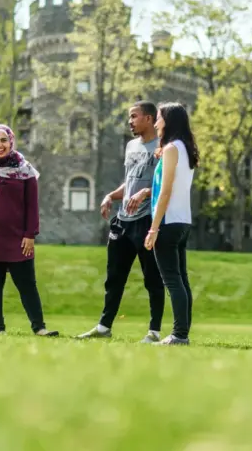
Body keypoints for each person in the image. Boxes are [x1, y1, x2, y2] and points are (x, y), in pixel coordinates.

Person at [77, 101, 165, 343]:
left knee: (152, 279)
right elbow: (131, 180)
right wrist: (110, 196)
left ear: (148, 118)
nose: (130, 121)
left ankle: (154, 331)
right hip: (123, 220)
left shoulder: (162, 146)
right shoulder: (130, 146)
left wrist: (145, 193)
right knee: (114, 277)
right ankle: (104, 327)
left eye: (134, 116)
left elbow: (164, 184)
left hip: (147, 221)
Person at [0, 124, 58, 336]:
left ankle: (39, 328)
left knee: (27, 285)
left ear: (11, 142)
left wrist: (30, 234)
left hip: (19, 238)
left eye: (3, 140)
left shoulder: (26, 171)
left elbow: (32, 205)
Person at [144, 102, 199, 346]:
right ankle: (182, 333)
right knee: (181, 279)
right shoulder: (186, 148)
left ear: (169, 120)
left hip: (167, 221)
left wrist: (153, 228)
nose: (156, 123)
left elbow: (165, 192)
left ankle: (179, 335)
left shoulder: (171, 149)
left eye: (158, 118)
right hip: (183, 221)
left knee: (172, 281)